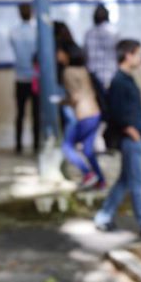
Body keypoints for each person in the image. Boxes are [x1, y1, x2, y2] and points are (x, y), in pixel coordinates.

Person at [94, 39, 141, 238]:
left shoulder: (125, 78)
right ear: (128, 55)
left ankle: (103, 216)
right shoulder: (119, 81)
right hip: (130, 139)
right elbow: (117, 111)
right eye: (138, 53)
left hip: (135, 137)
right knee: (136, 183)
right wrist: (132, 131)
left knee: (125, 181)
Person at [57, 29, 105, 190]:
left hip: (83, 114)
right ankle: (101, 180)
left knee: (67, 147)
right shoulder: (83, 69)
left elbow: (75, 97)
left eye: (60, 52)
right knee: (88, 150)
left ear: (66, 54)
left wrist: (62, 101)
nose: (58, 56)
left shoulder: (68, 72)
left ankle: (87, 173)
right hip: (95, 112)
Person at [9, 2, 39, 155]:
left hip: (20, 77)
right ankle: (36, 145)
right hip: (34, 78)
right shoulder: (36, 32)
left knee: (20, 113)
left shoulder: (14, 32)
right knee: (36, 114)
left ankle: (19, 145)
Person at [84, 4, 119, 90]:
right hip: (111, 73)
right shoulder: (113, 32)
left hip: (93, 75)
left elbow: (86, 54)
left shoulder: (89, 33)